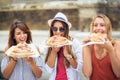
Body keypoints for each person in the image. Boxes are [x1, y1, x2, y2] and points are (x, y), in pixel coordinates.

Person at [43, 12, 83, 80]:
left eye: (61, 29)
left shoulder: (74, 43)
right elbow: (48, 69)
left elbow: (79, 68)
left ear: (66, 29)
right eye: (55, 29)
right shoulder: (48, 44)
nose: (58, 32)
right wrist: (54, 51)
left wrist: (68, 55)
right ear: (51, 30)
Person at [82, 14, 120, 80]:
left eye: (102, 25)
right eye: (95, 25)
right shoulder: (88, 46)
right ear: (92, 28)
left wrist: (110, 49)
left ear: (108, 28)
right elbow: (87, 74)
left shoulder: (116, 44)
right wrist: (85, 46)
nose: (98, 28)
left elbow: (118, 73)